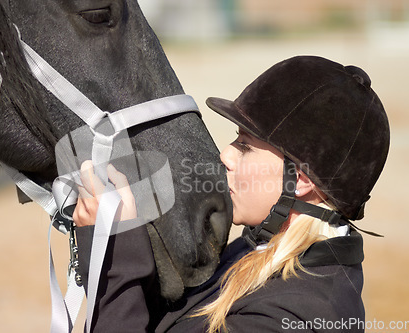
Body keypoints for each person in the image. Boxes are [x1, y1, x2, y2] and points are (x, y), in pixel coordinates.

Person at [72, 56, 390, 332]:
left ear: (301, 181)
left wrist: (119, 261)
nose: (226, 155)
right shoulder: (260, 248)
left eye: (245, 146)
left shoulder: (292, 319)